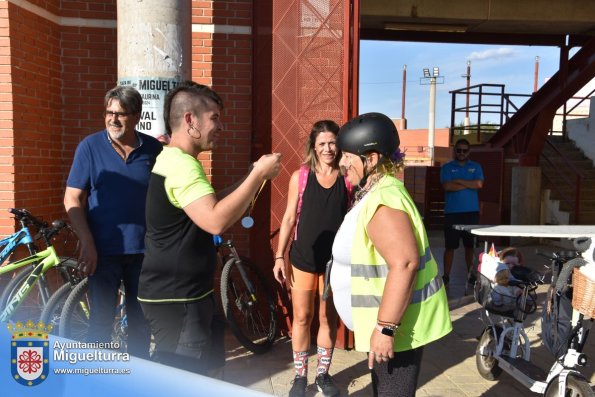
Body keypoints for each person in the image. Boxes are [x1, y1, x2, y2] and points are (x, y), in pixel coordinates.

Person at [137, 81, 281, 375]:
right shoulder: (182, 166)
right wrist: (257, 176)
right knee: (182, 381)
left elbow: (208, 203)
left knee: (211, 374)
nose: (221, 127)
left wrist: (252, 177)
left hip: (190, 295)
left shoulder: (175, 159)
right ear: (191, 120)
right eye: (214, 118)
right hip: (178, 299)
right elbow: (215, 220)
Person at [330, 112, 452, 397]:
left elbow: (405, 263)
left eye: (348, 156)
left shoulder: (384, 199)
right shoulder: (378, 191)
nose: (342, 163)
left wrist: (385, 329)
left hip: (398, 331)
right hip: (393, 326)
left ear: (371, 159)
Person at [64, 86, 163, 358]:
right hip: (102, 252)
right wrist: (87, 241)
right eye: (109, 113)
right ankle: (99, 381)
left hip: (144, 253)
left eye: (121, 114)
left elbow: (167, 198)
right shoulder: (90, 147)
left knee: (141, 323)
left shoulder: (154, 149)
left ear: (137, 116)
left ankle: (136, 379)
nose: (113, 119)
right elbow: (72, 198)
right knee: (100, 322)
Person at [273, 120, 351, 397]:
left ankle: (323, 375)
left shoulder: (348, 176)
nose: (328, 148)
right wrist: (279, 256)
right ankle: (299, 376)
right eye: (322, 144)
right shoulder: (301, 176)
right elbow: (289, 218)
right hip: (303, 259)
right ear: (314, 147)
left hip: (335, 263)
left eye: (332, 143)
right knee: (302, 318)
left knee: (328, 319)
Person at [440, 138, 484, 286]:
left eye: (464, 150)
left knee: (469, 246)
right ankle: (446, 276)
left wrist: (458, 180)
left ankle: (470, 274)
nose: (461, 153)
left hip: (471, 212)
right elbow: (447, 186)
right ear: (455, 151)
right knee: (450, 246)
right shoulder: (447, 167)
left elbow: (479, 184)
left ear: (469, 151)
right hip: (452, 213)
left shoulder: (476, 166)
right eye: (458, 150)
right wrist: (469, 184)